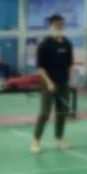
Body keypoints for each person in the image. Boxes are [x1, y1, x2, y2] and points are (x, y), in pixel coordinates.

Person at [31, 14, 75, 154]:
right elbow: (40, 68)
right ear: (50, 26)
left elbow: (70, 64)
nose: (60, 27)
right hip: (47, 83)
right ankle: (36, 141)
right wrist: (49, 82)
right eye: (57, 25)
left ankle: (59, 139)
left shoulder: (67, 43)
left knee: (62, 112)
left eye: (62, 25)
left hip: (63, 83)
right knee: (45, 113)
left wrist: (73, 79)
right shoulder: (44, 45)